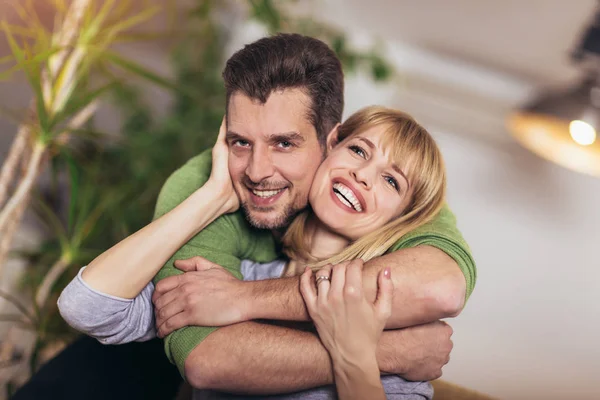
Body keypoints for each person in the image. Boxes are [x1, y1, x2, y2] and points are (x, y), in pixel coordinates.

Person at [13, 33, 474, 400]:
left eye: (284, 143)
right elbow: (91, 309)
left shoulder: (393, 292)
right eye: (240, 142)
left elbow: (442, 286)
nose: (255, 171)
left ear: (326, 141)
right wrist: (211, 197)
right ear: (340, 147)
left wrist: (354, 348)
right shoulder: (233, 270)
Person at [59, 105, 449, 399]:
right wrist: (210, 197)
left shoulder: (395, 323)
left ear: (404, 218)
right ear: (330, 147)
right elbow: (87, 307)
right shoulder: (231, 279)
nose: (363, 175)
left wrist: (359, 356)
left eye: (391, 180)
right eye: (360, 151)